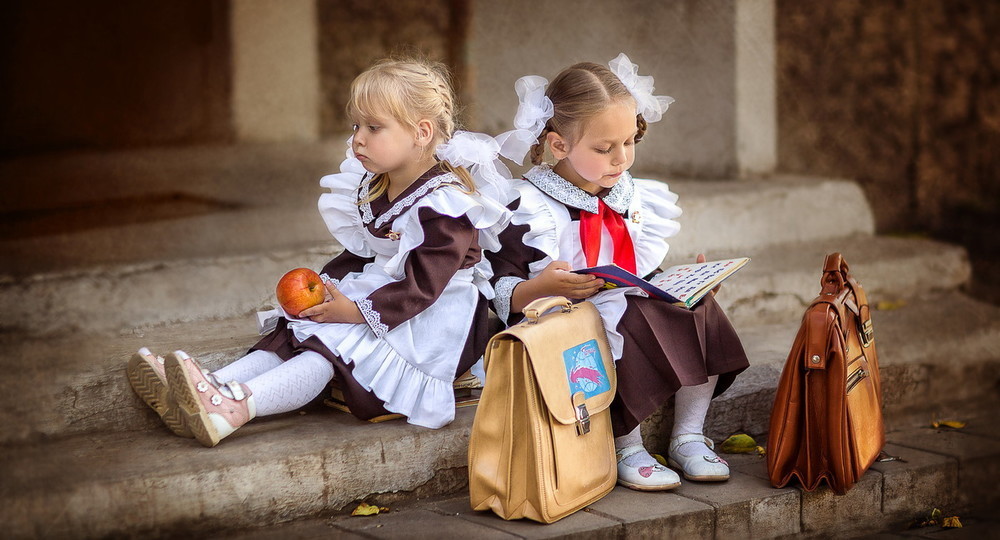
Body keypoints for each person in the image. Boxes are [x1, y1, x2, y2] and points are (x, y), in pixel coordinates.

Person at [126, 58, 511, 447]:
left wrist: (358, 311)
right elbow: (362, 253)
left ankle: (238, 407)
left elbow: (424, 286)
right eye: (356, 125)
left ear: (421, 133)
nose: (358, 138)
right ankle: (213, 385)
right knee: (293, 332)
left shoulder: (446, 204)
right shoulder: (377, 184)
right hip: (388, 294)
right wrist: (327, 288)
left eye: (374, 127)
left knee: (327, 351)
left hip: (431, 319)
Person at [488, 53, 749, 491]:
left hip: (625, 297)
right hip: (562, 316)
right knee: (625, 319)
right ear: (559, 145)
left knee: (693, 305)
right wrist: (541, 286)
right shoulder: (530, 208)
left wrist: (691, 282)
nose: (621, 159)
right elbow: (498, 287)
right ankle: (626, 444)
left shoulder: (633, 195)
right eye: (604, 148)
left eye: (630, 143)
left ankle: (687, 434)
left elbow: (642, 267)